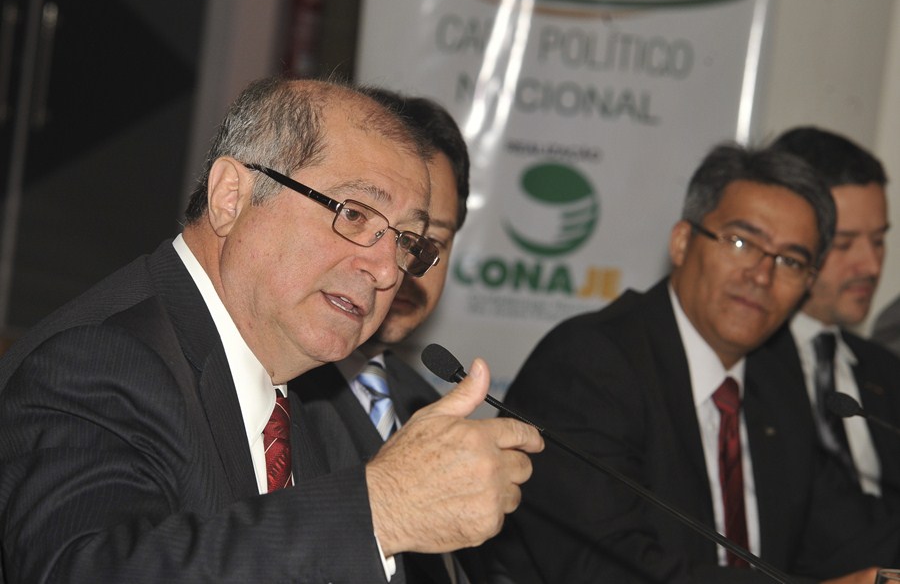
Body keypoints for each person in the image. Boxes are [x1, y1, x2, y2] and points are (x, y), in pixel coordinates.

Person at [0, 76, 544, 583]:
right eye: (355, 214)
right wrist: (381, 509)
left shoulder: (300, 392)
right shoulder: (99, 361)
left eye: (407, 243)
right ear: (231, 197)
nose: (386, 271)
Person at [490, 143, 898, 583]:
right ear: (682, 242)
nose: (762, 275)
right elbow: (605, 570)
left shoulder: (775, 379)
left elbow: (845, 538)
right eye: (741, 243)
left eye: (790, 261)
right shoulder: (588, 365)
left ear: (808, 283)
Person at [296, 89, 482, 582]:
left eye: (428, 243)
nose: (400, 268)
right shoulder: (276, 391)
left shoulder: (423, 401)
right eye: (374, 227)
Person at [766, 126, 900, 510]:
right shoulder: (745, 367)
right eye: (844, 243)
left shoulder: (887, 371)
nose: (871, 265)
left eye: (879, 240)